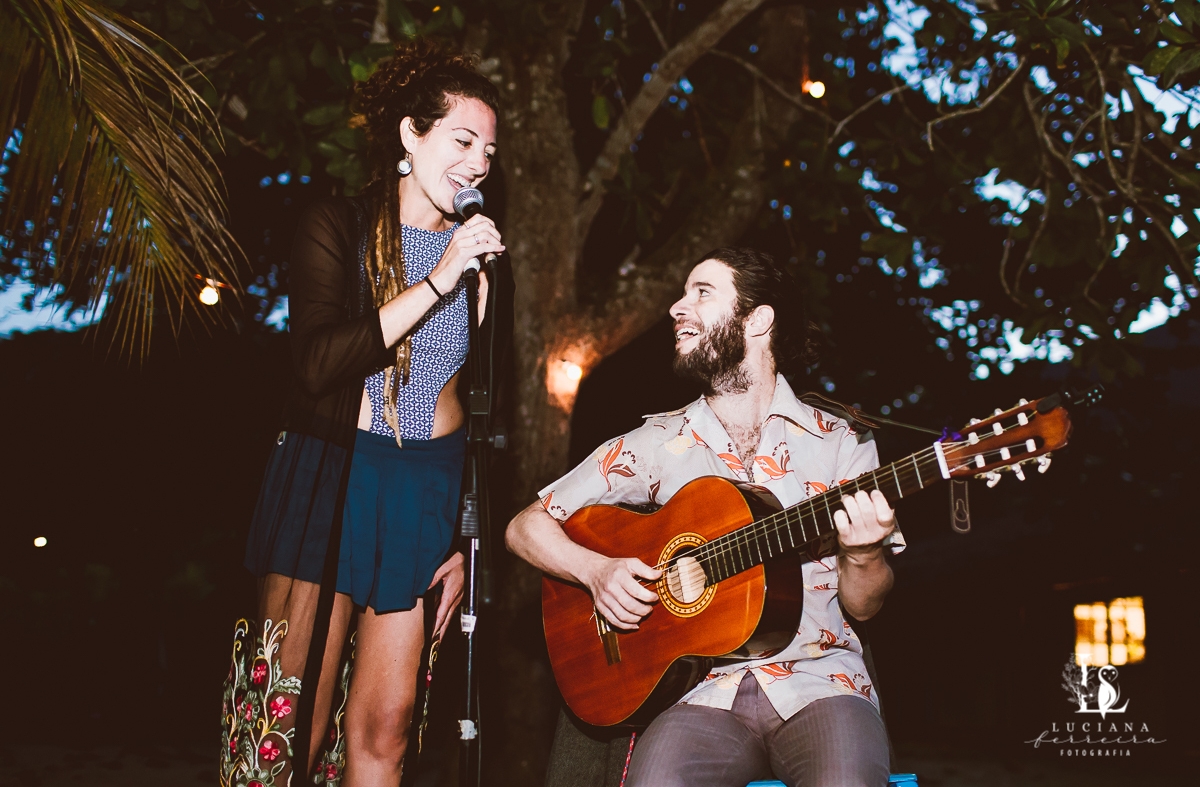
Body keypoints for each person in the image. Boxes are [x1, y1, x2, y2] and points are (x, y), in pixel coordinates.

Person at [506, 248, 906, 787]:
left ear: (758, 320)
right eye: (683, 292)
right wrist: (595, 572)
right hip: (697, 692)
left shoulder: (841, 441)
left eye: (702, 293)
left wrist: (863, 552)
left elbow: (865, 603)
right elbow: (525, 526)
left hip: (822, 683)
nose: (677, 306)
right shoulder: (654, 442)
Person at [220, 40, 503, 787]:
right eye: (463, 141)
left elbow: (481, 415)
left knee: (389, 727)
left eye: (489, 150)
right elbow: (316, 363)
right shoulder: (336, 226)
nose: (479, 163)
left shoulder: (483, 265)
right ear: (411, 134)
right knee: (290, 725)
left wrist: (463, 541)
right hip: (332, 480)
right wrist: (439, 280)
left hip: (422, 496)